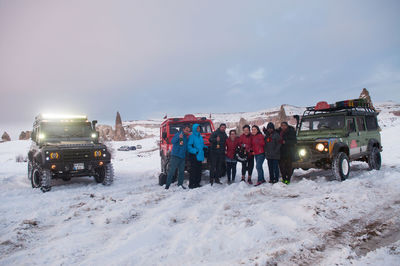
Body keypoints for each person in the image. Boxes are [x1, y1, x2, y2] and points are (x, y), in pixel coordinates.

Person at [165, 125, 191, 189]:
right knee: (172, 171)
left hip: (182, 157)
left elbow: (185, 147)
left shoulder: (186, 137)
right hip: (175, 156)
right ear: (183, 129)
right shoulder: (178, 134)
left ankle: (180, 185)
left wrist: (188, 154)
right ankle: (167, 186)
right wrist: (178, 137)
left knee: (181, 172)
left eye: (188, 130)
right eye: (186, 130)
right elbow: (172, 141)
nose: (187, 131)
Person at [187, 124, 205, 189]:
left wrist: (205, 147)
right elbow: (189, 146)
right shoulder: (191, 136)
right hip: (194, 155)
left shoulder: (200, 136)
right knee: (193, 171)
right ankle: (191, 184)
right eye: (197, 128)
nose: (198, 129)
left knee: (199, 170)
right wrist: (195, 151)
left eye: (199, 128)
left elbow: (201, 145)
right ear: (194, 129)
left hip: (200, 155)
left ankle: (197, 183)